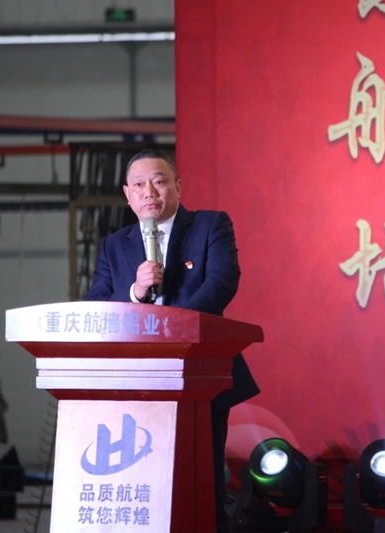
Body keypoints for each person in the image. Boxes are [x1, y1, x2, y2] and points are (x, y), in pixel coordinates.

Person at [85, 149, 259, 531]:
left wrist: (173, 330)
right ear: (127, 195)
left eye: (159, 181)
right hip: (135, 380)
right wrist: (135, 291)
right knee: (144, 476)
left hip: (199, 373)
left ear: (177, 186)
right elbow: (96, 304)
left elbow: (221, 282)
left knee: (201, 474)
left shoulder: (210, 226)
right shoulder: (114, 245)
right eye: (139, 185)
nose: (149, 192)